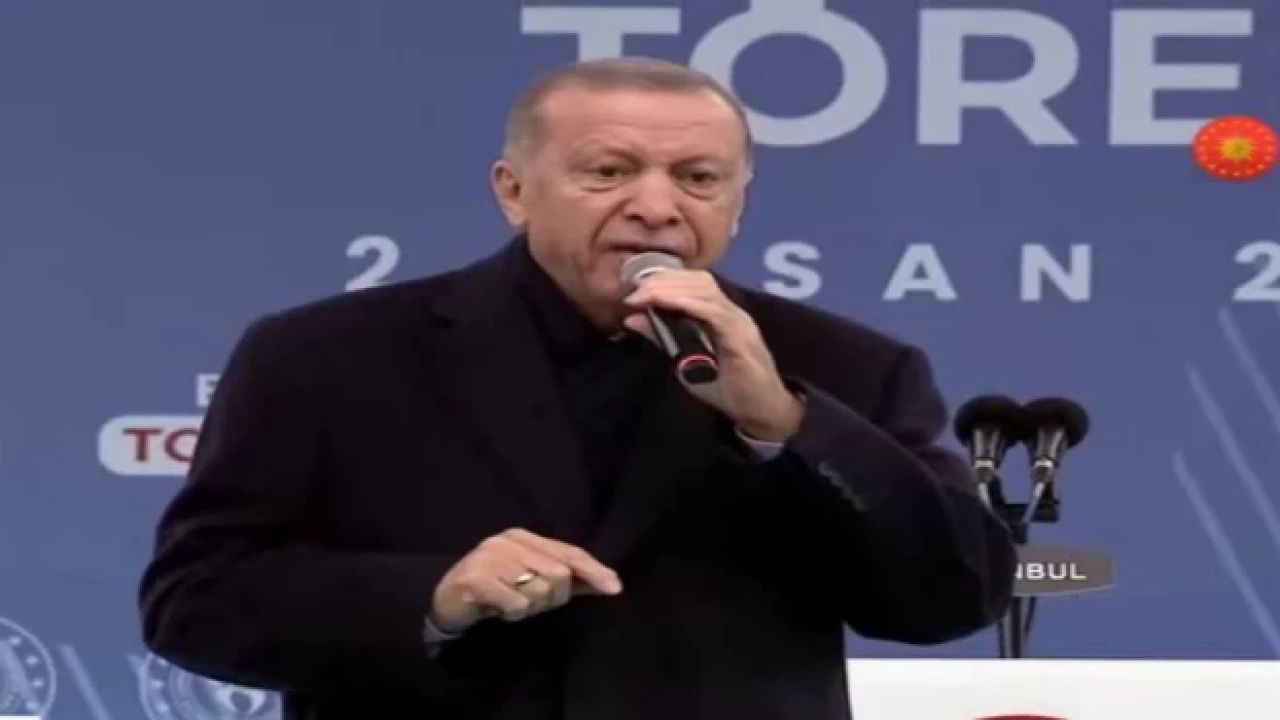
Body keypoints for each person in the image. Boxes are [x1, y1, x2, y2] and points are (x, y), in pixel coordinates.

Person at [137, 57, 1017, 720]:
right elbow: (195, 601)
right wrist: (433, 597)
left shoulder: (848, 367)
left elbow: (954, 595)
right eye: (609, 171)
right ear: (514, 191)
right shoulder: (325, 356)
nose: (656, 206)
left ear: (738, 204)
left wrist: (786, 423)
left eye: (698, 178)